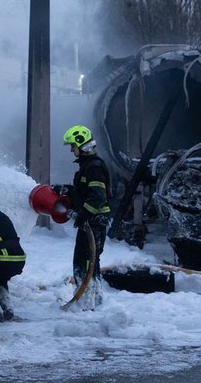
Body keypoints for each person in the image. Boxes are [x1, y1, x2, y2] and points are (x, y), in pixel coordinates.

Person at [55, 124, 112, 310]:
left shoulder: (93, 167)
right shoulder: (87, 166)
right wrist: (67, 190)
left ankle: (88, 303)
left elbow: (97, 197)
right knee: (85, 262)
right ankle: (90, 300)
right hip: (90, 222)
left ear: (82, 144)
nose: (71, 150)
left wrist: (84, 215)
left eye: (73, 146)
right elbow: (84, 193)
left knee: (87, 262)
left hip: (94, 222)